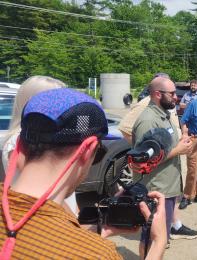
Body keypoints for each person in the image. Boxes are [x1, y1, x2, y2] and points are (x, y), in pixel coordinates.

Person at [0, 88, 167, 259]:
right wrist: (158, 242)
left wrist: (97, 231)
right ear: (87, 151)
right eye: (99, 152)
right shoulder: (100, 254)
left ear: (19, 148)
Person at [132, 77, 195, 255]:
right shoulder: (148, 121)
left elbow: (161, 149)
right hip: (156, 191)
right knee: (153, 239)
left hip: (166, 189)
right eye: (173, 94)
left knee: (160, 239)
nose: (177, 97)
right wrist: (178, 150)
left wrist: (180, 142)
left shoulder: (162, 114)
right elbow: (141, 162)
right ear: (158, 94)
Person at [0, 76, 79, 214]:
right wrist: (74, 224)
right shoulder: (21, 139)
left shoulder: (36, 136)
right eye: (56, 100)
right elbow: (44, 191)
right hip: (50, 219)